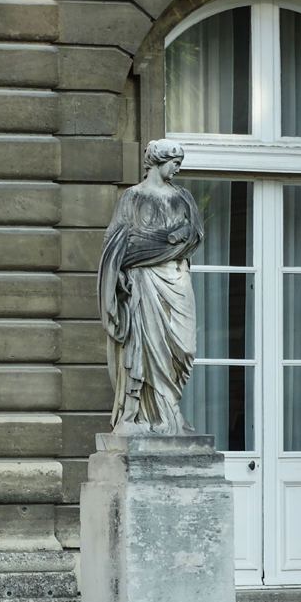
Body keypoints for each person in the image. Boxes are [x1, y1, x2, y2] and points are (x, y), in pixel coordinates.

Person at [98, 139, 204, 434]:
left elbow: (195, 235)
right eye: (175, 163)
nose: (178, 169)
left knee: (183, 349)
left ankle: (171, 412)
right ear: (159, 161)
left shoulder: (183, 198)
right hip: (145, 282)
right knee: (146, 347)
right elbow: (117, 244)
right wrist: (165, 243)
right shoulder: (133, 198)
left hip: (177, 279)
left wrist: (161, 244)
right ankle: (149, 415)